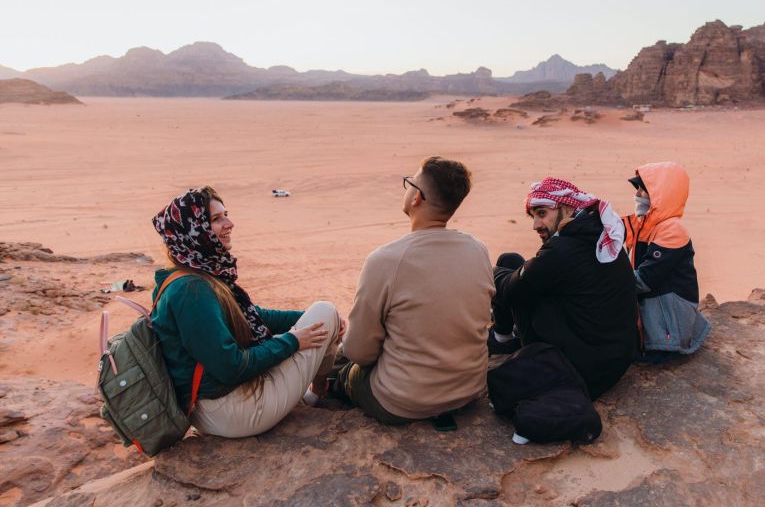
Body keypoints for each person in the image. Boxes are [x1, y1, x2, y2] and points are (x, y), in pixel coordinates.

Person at [150, 186, 343, 438]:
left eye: (225, 215)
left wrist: (302, 320)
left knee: (321, 317)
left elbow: (252, 316)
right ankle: (318, 394)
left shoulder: (190, 277)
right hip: (232, 412)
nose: (229, 224)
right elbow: (231, 366)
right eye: (216, 219)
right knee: (325, 311)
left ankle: (316, 389)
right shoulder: (191, 290)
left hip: (219, 406)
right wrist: (294, 341)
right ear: (194, 231)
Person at [334, 157, 494, 424]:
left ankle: (319, 395)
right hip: (469, 390)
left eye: (410, 183)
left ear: (417, 198)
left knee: (340, 361)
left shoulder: (385, 260)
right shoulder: (478, 249)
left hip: (401, 402)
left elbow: (360, 352)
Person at [491, 177, 637, 400]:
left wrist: (490, 271)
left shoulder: (563, 250)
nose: (535, 225)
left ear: (567, 208)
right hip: (612, 359)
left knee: (518, 286)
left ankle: (504, 340)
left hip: (582, 373)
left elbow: (511, 290)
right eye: (533, 216)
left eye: (542, 213)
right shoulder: (598, 232)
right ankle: (503, 337)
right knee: (511, 262)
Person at [622, 162, 710, 361]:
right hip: (657, 315)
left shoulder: (672, 228)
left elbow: (644, 280)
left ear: (659, 195)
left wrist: (608, 283)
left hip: (670, 326)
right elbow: (612, 230)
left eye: (642, 190)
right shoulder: (644, 223)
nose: (637, 195)